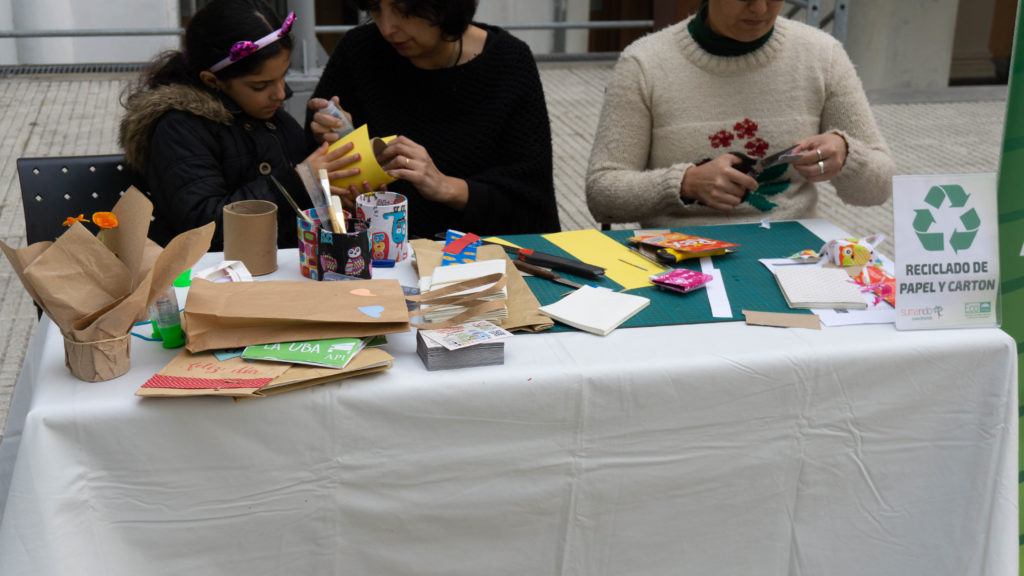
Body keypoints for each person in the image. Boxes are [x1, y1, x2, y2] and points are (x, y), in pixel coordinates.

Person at [585, 0, 895, 228]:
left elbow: (878, 188)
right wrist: (686, 184)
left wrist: (846, 155)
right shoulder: (644, 64)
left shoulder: (822, 56)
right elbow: (602, 195)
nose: (760, 9)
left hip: (793, 257)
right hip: (676, 262)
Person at [305, 0, 560, 239]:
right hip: (373, 261)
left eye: (403, 9)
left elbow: (532, 205)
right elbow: (309, 178)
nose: (387, 28)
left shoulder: (508, 63)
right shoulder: (358, 51)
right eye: (375, 8)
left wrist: (446, 187)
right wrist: (329, 138)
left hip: (477, 262)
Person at [119, 0, 361, 250]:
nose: (279, 94)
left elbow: (299, 183)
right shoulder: (178, 129)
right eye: (260, 85)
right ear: (212, 80)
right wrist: (296, 183)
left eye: (283, 76)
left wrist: (330, 151)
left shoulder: (271, 117)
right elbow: (203, 226)